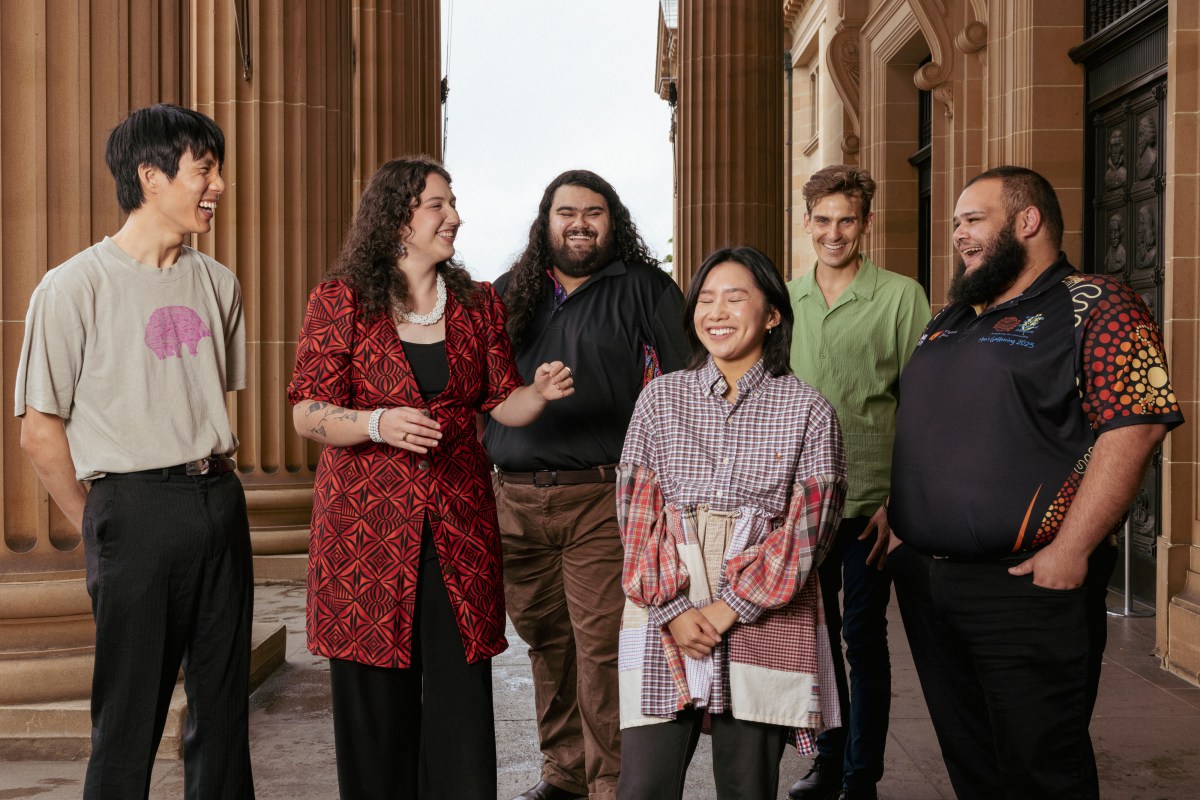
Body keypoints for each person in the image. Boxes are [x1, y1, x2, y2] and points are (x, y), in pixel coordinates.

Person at [887, 165, 1183, 800]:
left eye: (973, 220)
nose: (959, 235)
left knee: (1042, 772)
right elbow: (932, 424)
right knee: (973, 764)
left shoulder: (1098, 304)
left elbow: (1135, 427)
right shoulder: (951, 317)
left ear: (1028, 221)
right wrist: (898, 516)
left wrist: (1071, 550)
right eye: (957, 223)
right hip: (928, 583)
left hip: (1023, 585)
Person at [287, 156, 573, 800]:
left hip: (459, 521)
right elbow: (307, 409)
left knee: (458, 685)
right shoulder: (343, 301)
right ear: (397, 220)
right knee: (371, 691)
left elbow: (502, 402)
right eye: (437, 205)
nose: (454, 217)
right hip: (364, 530)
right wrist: (377, 423)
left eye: (453, 202)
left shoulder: (475, 303)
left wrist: (541, 392)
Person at [15, 103, 254, 799]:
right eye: (203, 171)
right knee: (128, 719)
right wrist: (101, 520)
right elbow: (38, 430)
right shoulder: (72, 287)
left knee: (223, 711)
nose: (218, 187)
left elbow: (202, 397)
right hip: (133, 508)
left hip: (219, 498)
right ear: (151, 176)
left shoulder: (220, 284)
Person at [484, 169, 688, 800]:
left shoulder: (645, 287)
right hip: (513, 499)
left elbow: (687, 383)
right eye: (566, 212)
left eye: (593, 212)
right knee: (546, 641)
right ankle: (564, 773)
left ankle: (608, 784)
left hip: (600, 498)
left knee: (601, 646)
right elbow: (476, 388)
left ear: (612, 220)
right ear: (545, 221)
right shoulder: (506, 294)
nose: (579, 224)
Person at [614, 245, 846, 800]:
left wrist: (727, 609)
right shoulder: (660, 399)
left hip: (764, 612)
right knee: (642, 787)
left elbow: (808, 532)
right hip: (665, 597)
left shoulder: (809, 410)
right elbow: (636, 512)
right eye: (706, 299)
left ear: (772, 315)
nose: (716, 311)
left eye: (735, 297)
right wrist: (671, 608)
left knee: (746, 787)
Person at [785, 166, 930, 800]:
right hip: (800, 503)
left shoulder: (901, 297)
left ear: (865, 223)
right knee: (812, 641)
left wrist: (901, 502)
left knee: (861, 639)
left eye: (847, 220)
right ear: (807, 220)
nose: (833, 232)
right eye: (822, 220)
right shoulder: (784, 300)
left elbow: (926, 405)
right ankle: (828, 760)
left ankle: (861, 777)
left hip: (871, 503)